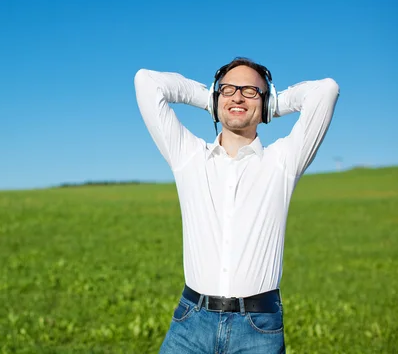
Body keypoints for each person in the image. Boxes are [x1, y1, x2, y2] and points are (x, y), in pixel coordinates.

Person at [133, 57, 339, 353]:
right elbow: (146, 81)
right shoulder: (188, 156)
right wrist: (210, 98)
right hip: (191, 323)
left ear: (265, 103)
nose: (238, 96)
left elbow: (326, 90)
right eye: (228, 89)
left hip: (258, 329)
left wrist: (273, 105)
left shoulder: (282, 161)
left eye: (250, 91)